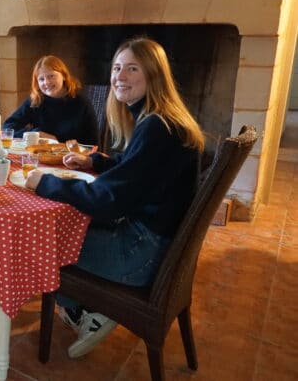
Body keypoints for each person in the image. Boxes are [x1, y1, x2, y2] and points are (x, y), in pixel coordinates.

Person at [25, 37, 204, 358]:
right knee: (69, 229)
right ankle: (90, 306)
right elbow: (137, 170)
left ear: (154, 75)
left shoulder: (156, 127)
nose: (120, 76)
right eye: (117, 67)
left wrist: (45, 183)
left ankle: (88, 313)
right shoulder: (162, 120)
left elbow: (108, 199)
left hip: (139, 255)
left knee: (42, 241)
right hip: (154, 244)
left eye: (132, 68)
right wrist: (96, 161)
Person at [2, 55, 99, 144]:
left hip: (72, 158)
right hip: (41, 155)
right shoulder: (36, 101)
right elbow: (7, 127)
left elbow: (94, 144)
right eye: (41, 79)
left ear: (64, 76)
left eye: (51, 76)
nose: (47, 82)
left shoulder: (82, 103)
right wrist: (36, 134)